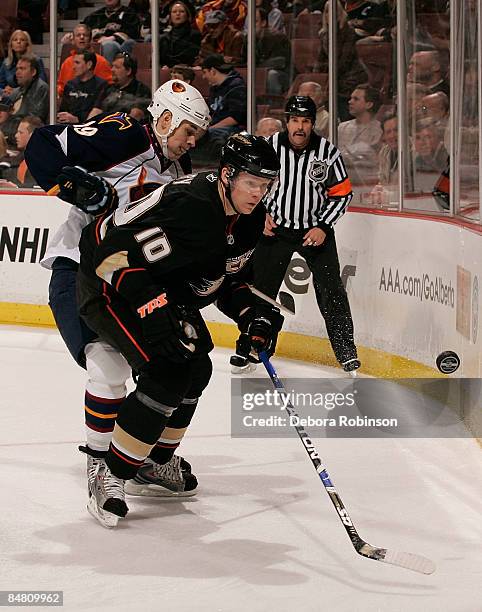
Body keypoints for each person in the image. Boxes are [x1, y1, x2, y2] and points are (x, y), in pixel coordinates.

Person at [72, 132, 281, 526]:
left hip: (157, 283)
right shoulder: (190, 207)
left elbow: (225, 280)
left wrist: (251, 314)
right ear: (226, 174)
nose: (258, 193)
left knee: (196, 369)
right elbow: (112, 259)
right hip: (108, 283)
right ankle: (111, 475)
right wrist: (155, 309)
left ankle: (152, 462)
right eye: (251, 182)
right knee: (166, 371)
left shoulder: (248, 220)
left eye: (265, 184)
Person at [25, 80, 212, 510]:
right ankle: (99, 463)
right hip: (80, 272)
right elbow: (43, 143)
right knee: (108, 368)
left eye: (196, 136)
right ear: (164, 119)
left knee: (180, 365)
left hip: (129, 283)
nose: (190, 141)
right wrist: (73, 187)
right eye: (187, 130)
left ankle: (146, 458)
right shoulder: (126, 136)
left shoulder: (180, 174)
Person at [249, 96, 360, 373]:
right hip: (276, 231)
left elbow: (342, 193)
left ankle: (346, 351)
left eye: (306, 121)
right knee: (261, 291)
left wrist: (323, 226)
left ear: (313, 123)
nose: (300, 127)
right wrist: (259, 214)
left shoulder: (327, 153)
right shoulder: (270, 147)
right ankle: (253, 346)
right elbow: (251, 183)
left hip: (314, 232)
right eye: (295, 120)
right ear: (287, 121)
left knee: (332, 291)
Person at [88, 52, 151, 121]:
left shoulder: (142, 90)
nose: (112, 70)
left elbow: (136, 115)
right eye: (112, 66)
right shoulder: (107, 87)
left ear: (128, 71)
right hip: (103, 127)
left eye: (117, 67)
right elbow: (96, 111)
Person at [57, 24, 113, 98]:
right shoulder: (67, 62)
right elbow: (61, 86)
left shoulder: (101, 62)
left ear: (90, 39)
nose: (82, 37)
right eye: (78, 35)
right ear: (73, 40)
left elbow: (109, 87)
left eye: (85, 35)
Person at [58, 51, 109, 124]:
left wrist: (77, 119)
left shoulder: (102, 85)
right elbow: (63, 110)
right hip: (67, 126)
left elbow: (99, 113)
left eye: (77, 63)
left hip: (90, 128)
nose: (73, 67)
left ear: (89, 65)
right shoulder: (70, 84)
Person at [8, 55, 49, 125]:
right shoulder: (16, 92)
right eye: (17, 69)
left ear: (33, 72)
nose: (17, 72)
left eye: (22, 69)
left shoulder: (41, 88)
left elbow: (34, 118)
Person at [159, 1, 201, 68]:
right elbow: (156, 62)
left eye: (181, 11)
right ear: (170, 16)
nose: (178, 14)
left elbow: (197, 58)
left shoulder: (195, 35)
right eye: (174, 12)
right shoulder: (164, 38)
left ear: (187, 15)